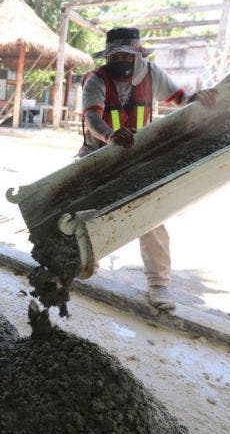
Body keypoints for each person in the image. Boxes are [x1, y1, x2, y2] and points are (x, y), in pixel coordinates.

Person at [80, 27, 217, 311]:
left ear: (137, 54)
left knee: (151, 216)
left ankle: (159, 284)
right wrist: (110, 137)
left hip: (138, 155)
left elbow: (181, 98)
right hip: (98, 154)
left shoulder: (152, 74)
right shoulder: (96, 79)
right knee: (83, 211)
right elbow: (92, 118)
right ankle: (81, 262)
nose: (119, 60)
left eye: (125, 55)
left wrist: (197, 99)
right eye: (113, 56)